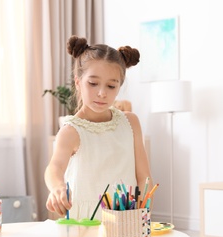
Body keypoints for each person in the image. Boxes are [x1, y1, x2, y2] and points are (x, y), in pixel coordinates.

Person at [44, 35, 152, 220]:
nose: (102, 93)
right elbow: (54, 168)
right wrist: (58, 188)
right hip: (86, 222)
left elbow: (144, 177)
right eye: (93, 83)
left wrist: (142, 210)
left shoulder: (131, 123)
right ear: (78, 82)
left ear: (119, 87)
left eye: (111, 86)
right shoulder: (71, 130)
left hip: (125, 218)